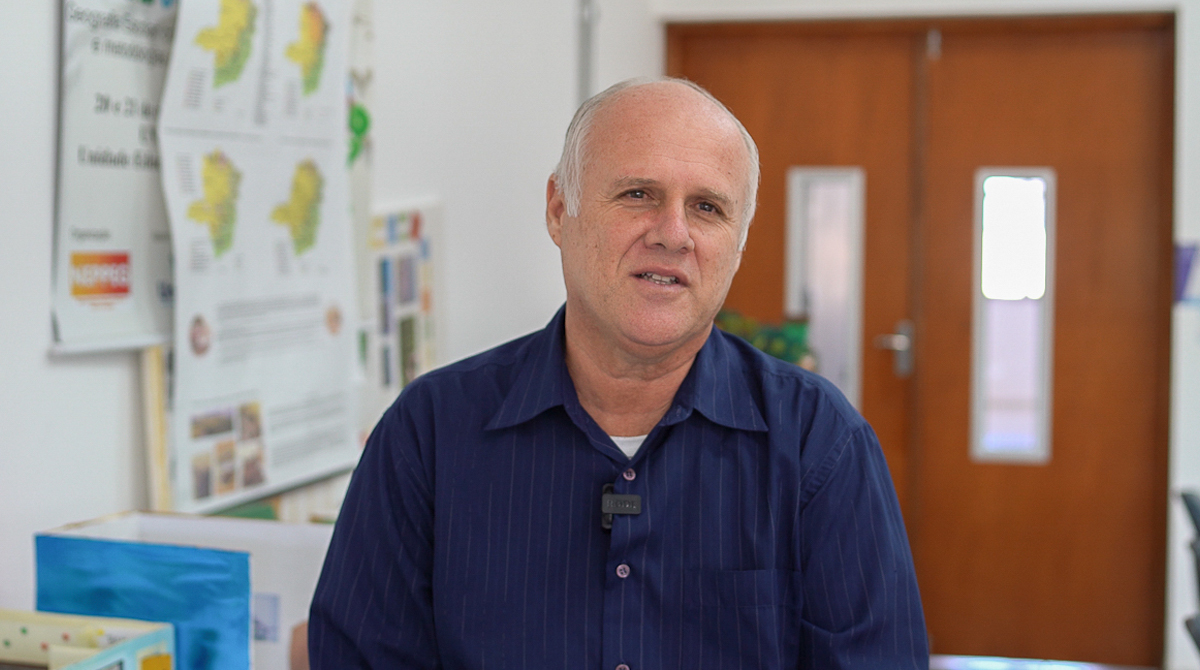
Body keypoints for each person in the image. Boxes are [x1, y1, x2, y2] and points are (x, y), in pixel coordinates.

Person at [309, 77, 928, 669]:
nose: (673, 234)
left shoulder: (820, 445)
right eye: (638, 194)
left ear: (737, 244)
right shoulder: (430, 435)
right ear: (558, 210)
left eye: (708, 207)